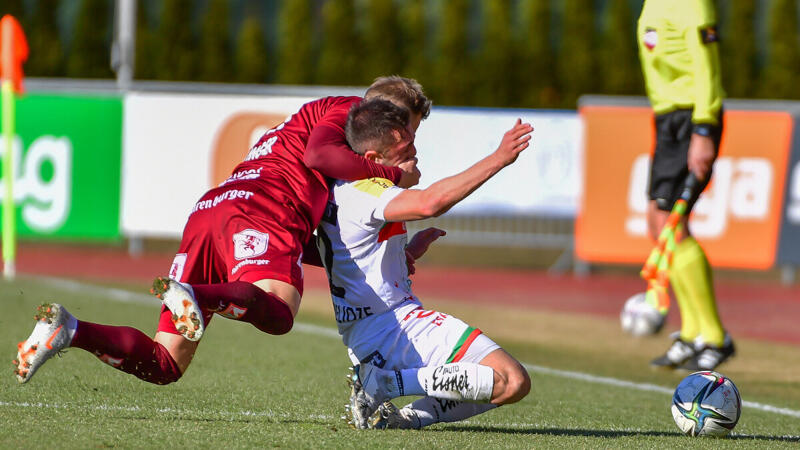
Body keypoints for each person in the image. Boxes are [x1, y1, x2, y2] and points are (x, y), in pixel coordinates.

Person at [13, 76, 432, 385]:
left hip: (215, 210)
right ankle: (196, 296)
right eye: (407, 133)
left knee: (165, 363)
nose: (409, 147)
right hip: (265, 207)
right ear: (387, 117)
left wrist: (390, 255)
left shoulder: (337, 146)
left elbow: (322, 239)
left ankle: (68, 330)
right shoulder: (345, 112)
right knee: (280, 311)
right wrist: (391, 174)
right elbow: (319, 154)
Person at [316, 99, 533, 429]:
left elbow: (354, 252)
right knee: (511, 381)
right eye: (404, 150)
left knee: (510, 384)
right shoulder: (365, 189)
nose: (415, 156)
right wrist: (499, 157)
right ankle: (382, 385)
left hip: (368, 330)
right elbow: (431, 202)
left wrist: (405, 254)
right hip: (393, 326)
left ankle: (398, 420)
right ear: (373, 159)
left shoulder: (340, 190)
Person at [637, 0, 734, 371]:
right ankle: (694, 333)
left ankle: (713, 336)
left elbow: (707, 67)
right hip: (666, 121)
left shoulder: (694, 5)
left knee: (670, 225)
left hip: (691, 119)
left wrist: (705, 128)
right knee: (657, 223)